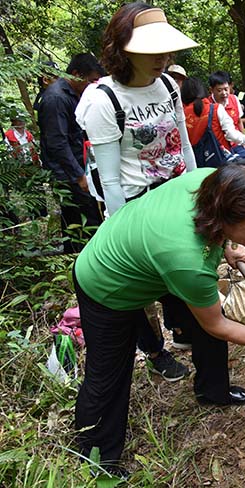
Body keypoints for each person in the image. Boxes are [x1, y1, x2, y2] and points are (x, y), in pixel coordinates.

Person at [74, 162, 245, 475]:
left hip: (148, 250)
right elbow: (217, 326)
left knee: (208, 315)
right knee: (108, 375)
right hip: (107, 282)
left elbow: (209, 234)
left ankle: (214, 390)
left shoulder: (213, 182)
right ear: (226, 218)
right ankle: (98, 459)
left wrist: (225, 248)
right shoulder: (187, 261)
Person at [75, 2, 199, 380]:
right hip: (135, 202)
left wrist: (198, 191)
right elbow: (109, 178)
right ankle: (155, 350)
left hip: (175, 193)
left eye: (165, 50)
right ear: (123, 49)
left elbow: (183, 144)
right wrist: (121, 223)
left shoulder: (166, 86)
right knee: (139, 286)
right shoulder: (103, 100)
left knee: (180, 271)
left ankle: (184, 332)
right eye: (150, 51)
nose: (161, 58)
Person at [37, 53, 104, 254]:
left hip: (79, 168)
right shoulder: (55, 98)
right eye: (90, 80)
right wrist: (78, 175)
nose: (93, 85)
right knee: (78, 221)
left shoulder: (75, 95)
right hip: (66, 175)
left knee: (88, 218)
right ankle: (76, 261)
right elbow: (57, 143)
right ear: (75, 74)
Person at [182, 76, 245, 155]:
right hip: (219, 157)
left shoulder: (182, 114)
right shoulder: (215, 108)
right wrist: (244, 140)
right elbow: (231, 134)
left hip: (195, 159)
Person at [208, 71, 245, 135]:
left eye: (226, 89)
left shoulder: (234, 99)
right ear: (211, 90)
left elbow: (239, 121)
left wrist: (244, 141)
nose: (224, 93)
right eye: (219, 90)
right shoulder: (207, 104)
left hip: (236, 141)